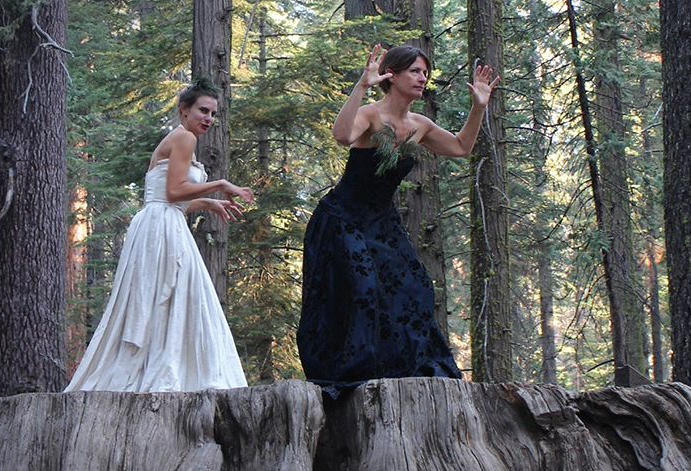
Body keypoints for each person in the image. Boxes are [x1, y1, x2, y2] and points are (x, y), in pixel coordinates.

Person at [298, 44, 500, 398]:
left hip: (382, 222)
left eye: (425, 72)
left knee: (415, 287)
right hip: (342, 219)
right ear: (392, 76)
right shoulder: (371, 115)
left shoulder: (419, 125)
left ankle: (401, 371)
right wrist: (361, 85)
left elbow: (461, 148)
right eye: (415, 71)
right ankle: (354, 375)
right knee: (362, 290)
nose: (423, 78)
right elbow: (342, 135)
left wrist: (478, 107)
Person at [65, 78, 252, 393]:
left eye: (213, 113)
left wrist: (207, 203)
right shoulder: (184, 138)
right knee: (170, 295)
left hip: (161, 221)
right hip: (162, 226)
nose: (209, 118)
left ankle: (164, 364)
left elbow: (174, 198)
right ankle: (165, 371)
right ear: (184, 110)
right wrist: (220, 184)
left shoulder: (181, 140)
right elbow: (174, 190)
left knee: (170, 296)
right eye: (203, 111)